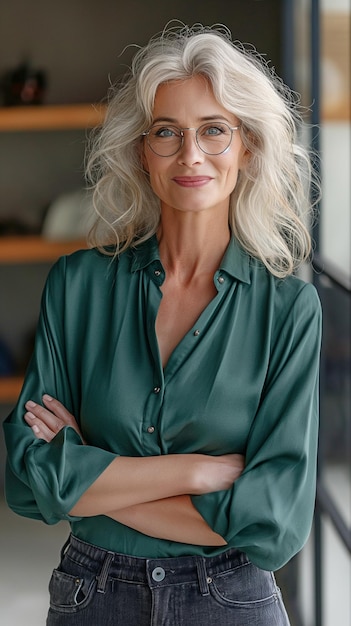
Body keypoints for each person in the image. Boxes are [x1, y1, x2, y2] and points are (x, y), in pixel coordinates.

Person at [3, 23, 321, 626]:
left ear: (247, 147)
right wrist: (195, 473)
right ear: (140, 151)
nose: (190, 154)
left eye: (214, 131)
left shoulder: (289, 311)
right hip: (90, 597)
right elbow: (27, 475)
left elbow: (273, 523)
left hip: (232, 601)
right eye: (166, 132)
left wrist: (88, 474)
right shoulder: (78, 287)